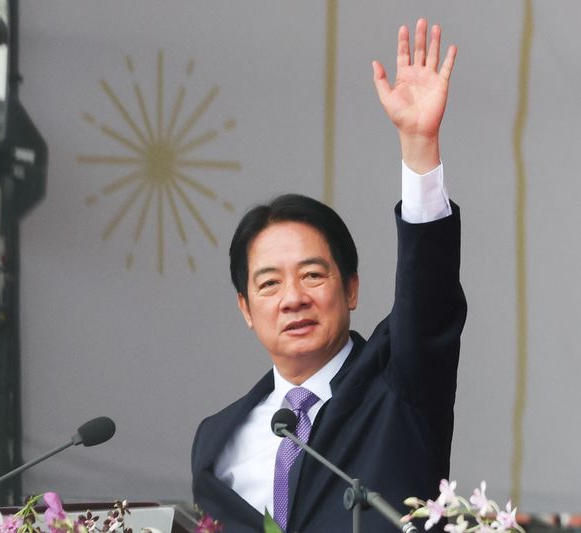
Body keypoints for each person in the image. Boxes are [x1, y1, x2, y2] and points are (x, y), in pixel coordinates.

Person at [191, 18, 466, 532]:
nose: (292, 298)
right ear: (246, 310)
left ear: (352, 288)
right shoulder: (216, 440)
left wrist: (419, 146)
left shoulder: (397, 382)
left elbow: (428, 301)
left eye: (312, 275)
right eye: (268, 283)